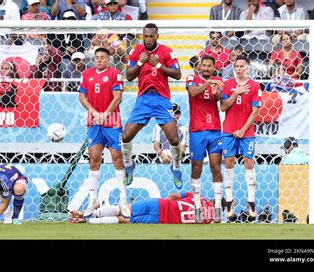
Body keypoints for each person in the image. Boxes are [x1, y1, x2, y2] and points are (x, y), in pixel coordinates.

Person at [123, 23, 182, 189]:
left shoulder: (166, 51)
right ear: (142, 36)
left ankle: (176, 168)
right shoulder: (136, 51)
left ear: (157, 36)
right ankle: (129, 166)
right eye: (145, 36)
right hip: (143, 99)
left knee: (174, 139)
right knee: (126, 136)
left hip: (162, 100)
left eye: (151, 36)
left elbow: (178, 75)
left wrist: (158, 65)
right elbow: (128, 76)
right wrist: (140, 63)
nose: (148, 39)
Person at [78, 47, 128, 217]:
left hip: (112, 120)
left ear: (108, 60)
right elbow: (82, 97)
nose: (99, 60)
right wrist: (94, 112)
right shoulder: (86, 74)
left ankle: (123, 200)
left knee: (117, 158)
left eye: (102, 58)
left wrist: (105, 114)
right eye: (96, 57)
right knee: (94, 159)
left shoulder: (115, 74)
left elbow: (118, 97)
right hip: (93, 121)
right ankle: (92, 200)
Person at [220, 55, 262, 222]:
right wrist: (235, 93)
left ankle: (251, 202)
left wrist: (243, 129)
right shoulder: (228, 85)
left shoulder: (254, 86)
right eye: (236, 66)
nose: (238, 68)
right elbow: (223, 107)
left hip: (247, 132)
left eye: (242, 66)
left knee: (248, 162)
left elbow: (255, 112)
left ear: (248, 68)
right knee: (229, 162)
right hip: (229, 130)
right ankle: (229, 200)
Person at [185, 55, 224, 223]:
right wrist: (208, 84)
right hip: (197, 130)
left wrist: (217, 93)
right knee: (197, 168)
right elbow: (193, 92)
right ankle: (198, 207)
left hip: (215, 129)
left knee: (216, 167)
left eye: (210, 66)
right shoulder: (192, 78)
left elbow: (219, 99)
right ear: (200, 66)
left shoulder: (218, 80)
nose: (207, 68)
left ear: (214, 68)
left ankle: (217, 208)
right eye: (204, 65)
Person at [70, 192, 224, 224]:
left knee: (122, 209)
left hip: (159, 204)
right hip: (161, 219)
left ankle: (87, 213)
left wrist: (166, 202)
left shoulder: (200, 197)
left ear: (212, 200)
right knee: (123, 219)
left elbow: (174, 195)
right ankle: (86, 220)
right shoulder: (208, 220)